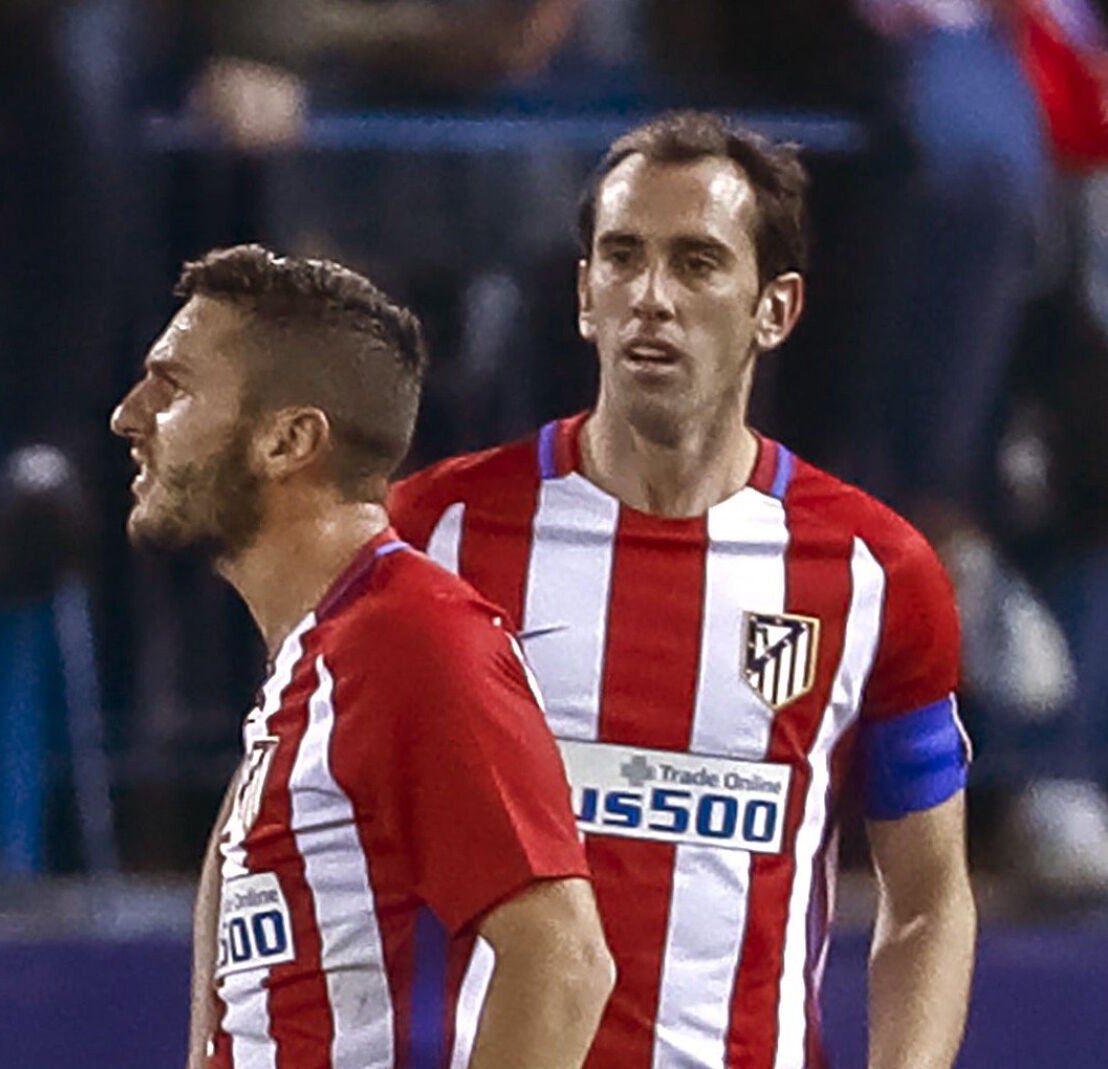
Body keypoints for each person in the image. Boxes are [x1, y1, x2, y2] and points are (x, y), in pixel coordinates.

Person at [389, 111, 976, 1068]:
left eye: (697, 263)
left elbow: (928, 900)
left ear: (774, 309)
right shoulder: (436, 534)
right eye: (622, 258)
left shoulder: (875, 571)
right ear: (584, 294)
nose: (650, 296)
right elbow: (284, 827)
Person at [113, 245, 613, 1069]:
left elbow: (562, 961)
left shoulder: (413, 634)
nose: (129, 415)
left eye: (173, 387)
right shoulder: (323, 657)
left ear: (289, 440)